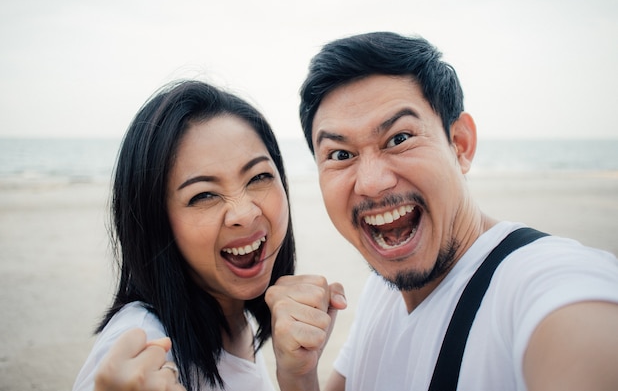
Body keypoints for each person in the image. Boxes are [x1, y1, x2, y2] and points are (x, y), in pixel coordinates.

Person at [265, 31, 618, 391]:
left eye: (399, 139)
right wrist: (298, 375)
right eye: (341, 155)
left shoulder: (544, 287)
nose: (371, 183)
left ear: (460, 145)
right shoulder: (382, 292)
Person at [73, 80, 297, 391]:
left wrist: (298, 377)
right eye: (204, 195)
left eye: (259, 177)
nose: (244, 213)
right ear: (157, 222)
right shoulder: (145, 349)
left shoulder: (235, 316)